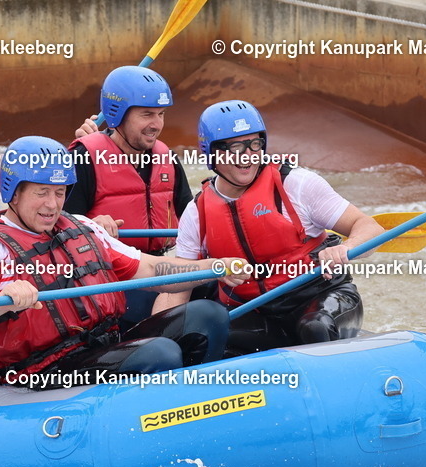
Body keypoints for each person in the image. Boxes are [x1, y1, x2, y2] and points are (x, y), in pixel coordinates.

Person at [0, 136, 244, 387]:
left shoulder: (85, 228)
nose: (52, 204)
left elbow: (153, 269)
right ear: (13, 194)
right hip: (38, 372)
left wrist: (215, 267)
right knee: (159, 353)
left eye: (59, 193)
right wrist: (2, 303)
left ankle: (193, 410)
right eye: (42, 192)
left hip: (96, 349)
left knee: (208, 315)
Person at [155, 100, 385, 355]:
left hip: (319, 299)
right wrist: (154, 340)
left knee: (315, 329)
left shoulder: (296, 184)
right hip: (255, 312)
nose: (248, 156)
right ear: (211, 153)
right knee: (201, 340)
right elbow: (177, 288)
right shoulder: (197, 213)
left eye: (254, 145)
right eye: (235, 148)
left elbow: (370, 227)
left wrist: (347, 247)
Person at [64, 66, 195, 324]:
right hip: (110, 274)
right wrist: (88, 226)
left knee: (214, 291)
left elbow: (194, 220)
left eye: (161, 114)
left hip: (159, 266)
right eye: (147, 114)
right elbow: (56, 229)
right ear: (117, 115)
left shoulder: (167, 158)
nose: (156, 125)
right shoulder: (83, 158)